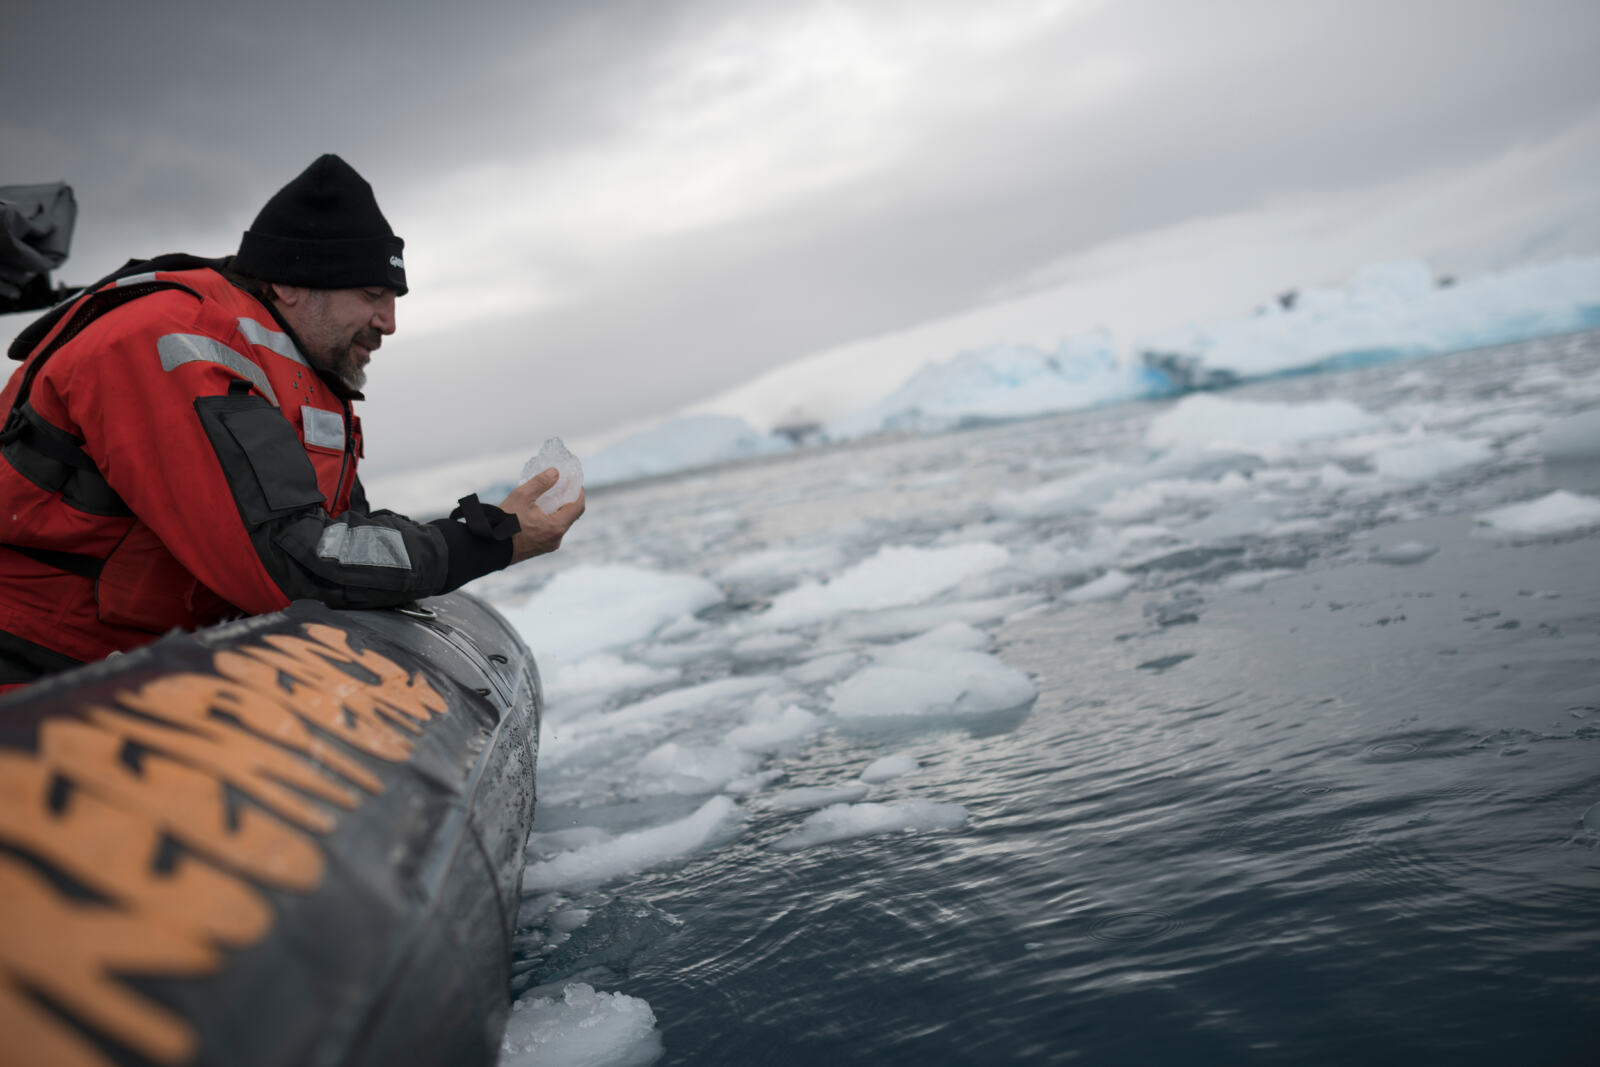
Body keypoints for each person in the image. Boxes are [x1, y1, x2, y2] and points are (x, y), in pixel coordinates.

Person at [0, 154, 584, 691]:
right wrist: (489, 541)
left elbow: (343, 534)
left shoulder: (297, 371)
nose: (390, 321)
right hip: (42, 676)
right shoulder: (175, 342)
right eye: (372, 293)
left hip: (142, 665)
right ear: (288, 284)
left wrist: (480, 533)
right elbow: (293, 562)